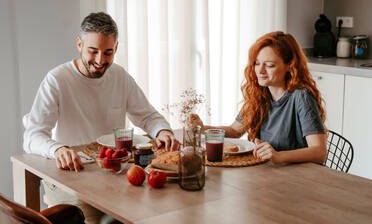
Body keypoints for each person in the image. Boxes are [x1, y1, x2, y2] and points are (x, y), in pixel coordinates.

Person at [23, 12, 180, 224]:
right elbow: (32, 136)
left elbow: (148, 116)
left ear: (116, 49)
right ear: (79, 44)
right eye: (93, 51)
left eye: (107, 53)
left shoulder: (120, 76)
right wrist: (57, 149)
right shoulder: (57, 80)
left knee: (160, 212)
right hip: (72, 176)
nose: (99, 61)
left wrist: (162, 131)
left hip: (114, 176)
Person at [190, 31, 327, 165]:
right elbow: (235, 131)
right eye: (257, 63)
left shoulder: (301, 96)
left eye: (269, 65)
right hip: (273, 172)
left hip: (301, 177)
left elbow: (319, 153)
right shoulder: (260, 94)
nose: (260, 71)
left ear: (289, 66)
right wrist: (202, 128)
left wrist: (279, 156)